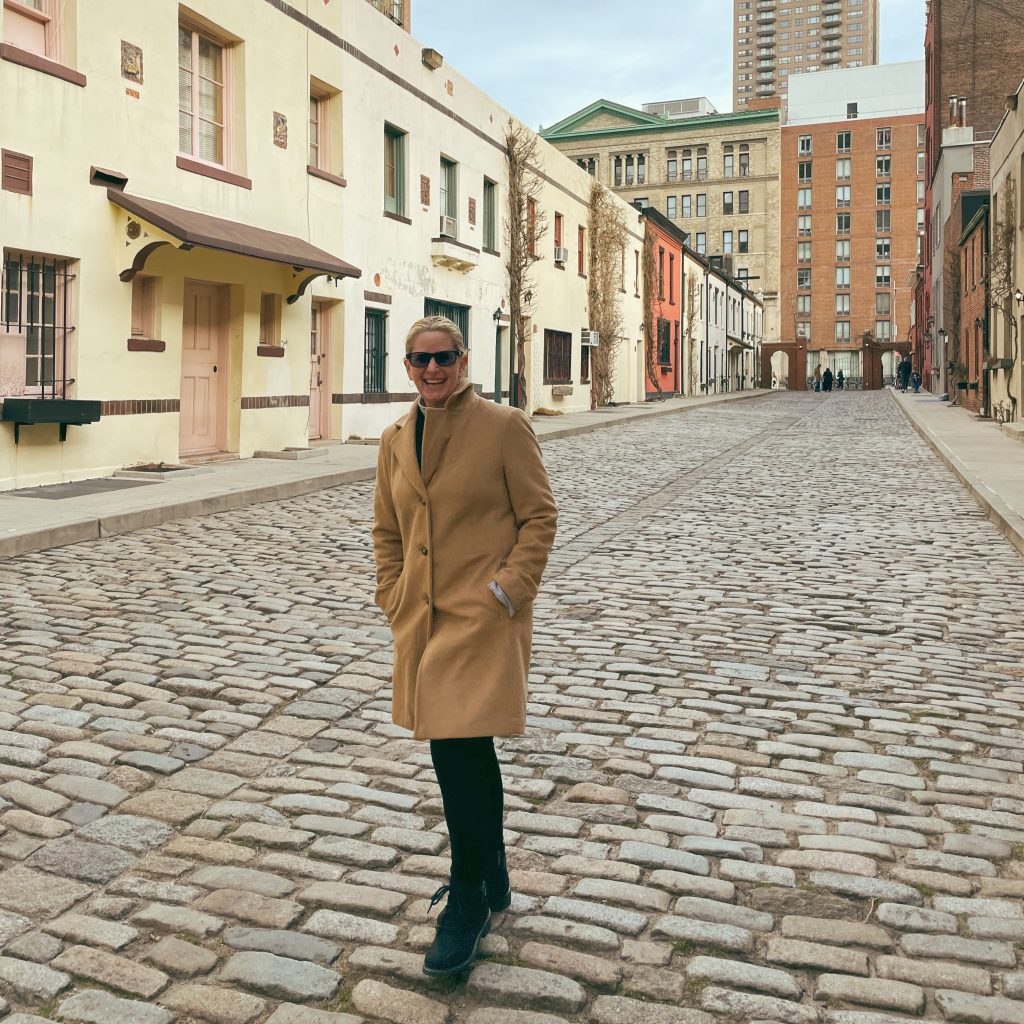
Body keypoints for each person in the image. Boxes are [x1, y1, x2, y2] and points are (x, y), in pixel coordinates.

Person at [372, 315, 558, 977]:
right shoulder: (396, 438)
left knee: (455, 751)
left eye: (444, 358)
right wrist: (391, 592)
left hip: (480, 617)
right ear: (407, 366)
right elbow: (387, 529)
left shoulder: (503, 428)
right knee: (467, 749)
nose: (432, 370)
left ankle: (469, 899)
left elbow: (540, 515)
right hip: (423, 619)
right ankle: (494, 868)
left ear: (464, 358)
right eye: (420, 361)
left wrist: (508, 590)